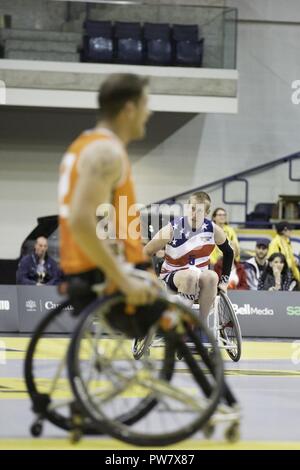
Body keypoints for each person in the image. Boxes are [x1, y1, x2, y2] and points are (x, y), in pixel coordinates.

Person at [59, 73, 159, 317]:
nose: (149, 113)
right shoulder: (106, 153)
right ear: (129, 109)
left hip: (89, 266)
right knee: (177, 321)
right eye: (145, 105)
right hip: (99, 273)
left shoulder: (86, 144)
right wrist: (123, 279)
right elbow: (81, 221)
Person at [143, 191, 234, 321]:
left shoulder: (213, 229)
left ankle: (202, 325)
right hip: (172, 278)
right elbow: (146, 252)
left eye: (200, 211)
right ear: (187, 207)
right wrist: (149, 277)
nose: (194, 214)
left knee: (212, 276)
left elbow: (229, 252)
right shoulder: (172, 228)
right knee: (189, 276)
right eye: (192, 209)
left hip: (200, 279)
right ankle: (181, 326)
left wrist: (224, 282)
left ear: (207, 213)